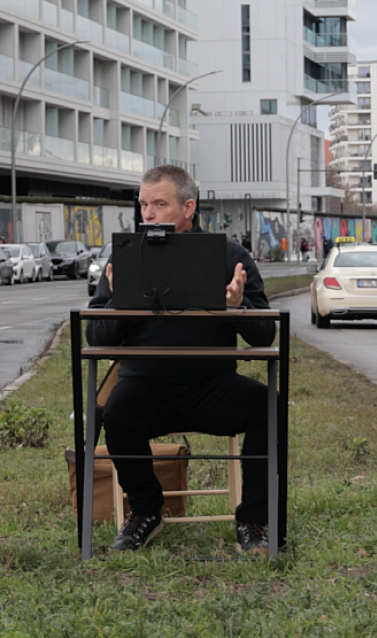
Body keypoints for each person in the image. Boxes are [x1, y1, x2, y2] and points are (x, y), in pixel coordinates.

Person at [87, 165, 276, 555]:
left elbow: (265, 335)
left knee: (266, 405)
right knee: (116, 411)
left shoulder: (229, 256)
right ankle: (145, 511)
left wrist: (237, 309)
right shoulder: (124, 257)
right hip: (146, 389)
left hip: (213, 388)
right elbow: (97, 338)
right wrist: (122, 303)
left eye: (159, 203)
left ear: (189, 207)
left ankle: (254, 520)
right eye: (143, 204)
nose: (148, 214)